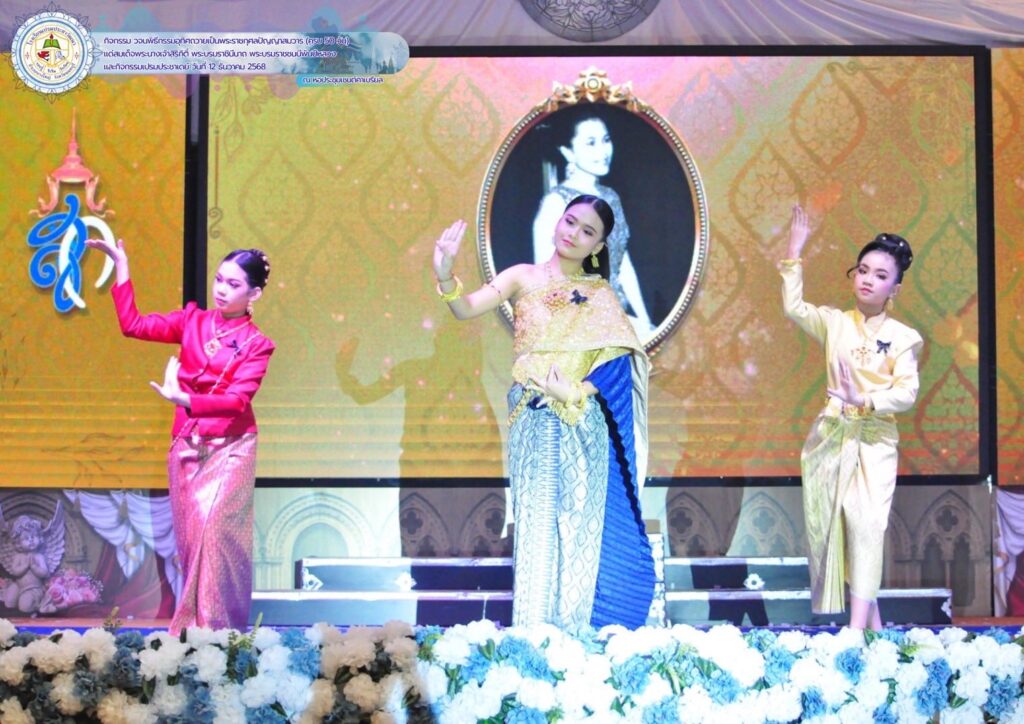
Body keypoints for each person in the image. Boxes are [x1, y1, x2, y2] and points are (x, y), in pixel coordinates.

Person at [433, 195, 655, 631]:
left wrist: (572, 391)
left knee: (579, 525)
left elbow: (618, 365)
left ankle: (579, 634)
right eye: (570, 221)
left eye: (587, 231)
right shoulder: (521, 276)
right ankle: (535, 633)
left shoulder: (600, 294)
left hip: (581, 422)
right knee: (536, 526)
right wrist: (444, 274)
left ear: (598, 246)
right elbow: (465, 308)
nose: (573, 233)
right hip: (532, 419)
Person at [86, 237, 275, 633]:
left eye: (234, 284)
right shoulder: (194, 321)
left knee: (216, 535)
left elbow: (237, 401)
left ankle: (220, 631)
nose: (221, 290)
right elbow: (133, 325)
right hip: (187, 444)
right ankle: (192, 631)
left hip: (231, 447)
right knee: (191, 541)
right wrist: (122, 268)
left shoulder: (257, 345)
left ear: (254, 293)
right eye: (219, 279)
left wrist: (183, 398)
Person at [781, 205, 923, 631]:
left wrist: (865, 399)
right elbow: (794, 308)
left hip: (874, 440)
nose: (868, 279)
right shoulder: (835, 323)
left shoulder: (903, 337)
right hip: (832, 435)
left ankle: (855, 632)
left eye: (880, 275)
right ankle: (874, 631)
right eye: (863, 270)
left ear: (895, 288)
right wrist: (795, 251)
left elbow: (907, 392)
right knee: (839, 529)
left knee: (867, 527)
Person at [531, 108, 654, 336]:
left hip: (618, 317)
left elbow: (623, 265)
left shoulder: (611, 197)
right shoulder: (555, 204)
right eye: (591, 143)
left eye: (606, 140)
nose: (603, 151)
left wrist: (645, 322)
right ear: (568, 152)